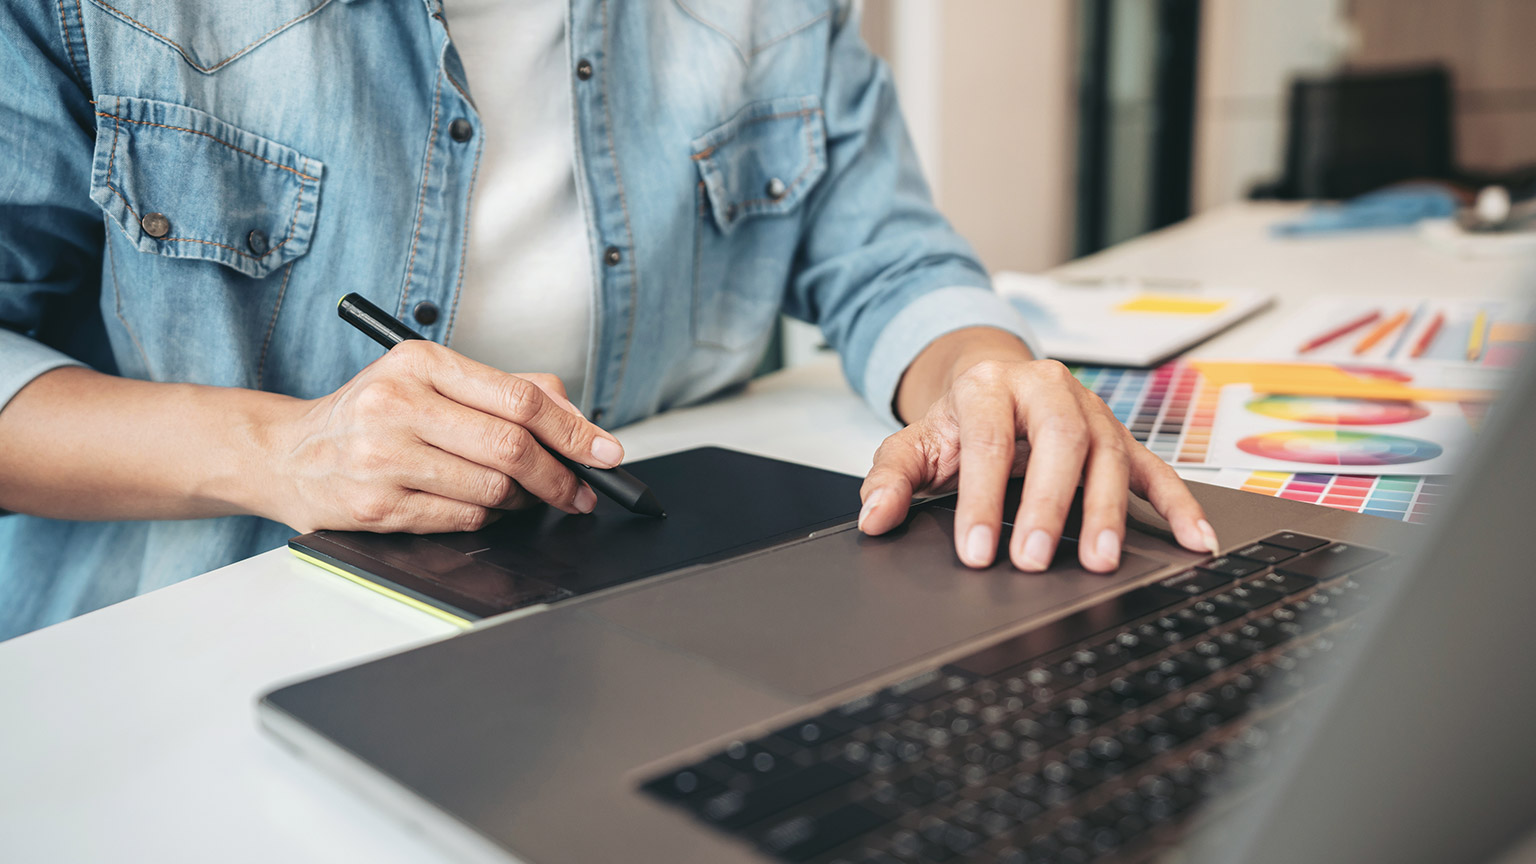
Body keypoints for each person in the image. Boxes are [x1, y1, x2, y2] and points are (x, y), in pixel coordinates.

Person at [0, 0, 1217, 641]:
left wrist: (983, 370)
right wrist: (281, 450)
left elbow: (886, 252)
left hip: (646, 614)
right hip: (181, 644)